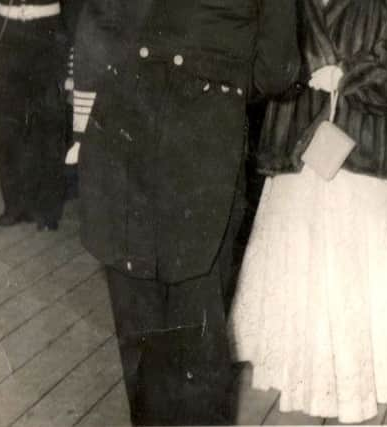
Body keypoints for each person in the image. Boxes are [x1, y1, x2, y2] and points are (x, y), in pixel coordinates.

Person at [71, 1, 300, 425]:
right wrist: (215, 79)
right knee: (198, 332)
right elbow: (277, 69)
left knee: (139, 329)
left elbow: (92, 30)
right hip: (204, 145)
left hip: (120, 140)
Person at [228, 0, 387, 422]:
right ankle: (294, 372)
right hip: (295, 148)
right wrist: (295, 73)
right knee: (296, 260)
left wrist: (348, 76)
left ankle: (351, 384)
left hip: (360, 151)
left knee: (349, 267)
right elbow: (260, 59)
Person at [0, 0, 80, 231]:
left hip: (49, 36)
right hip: (8, 36)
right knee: (9, 127)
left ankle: (47, 210)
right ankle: (14, 207)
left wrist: (73, 45)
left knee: (48, 126)